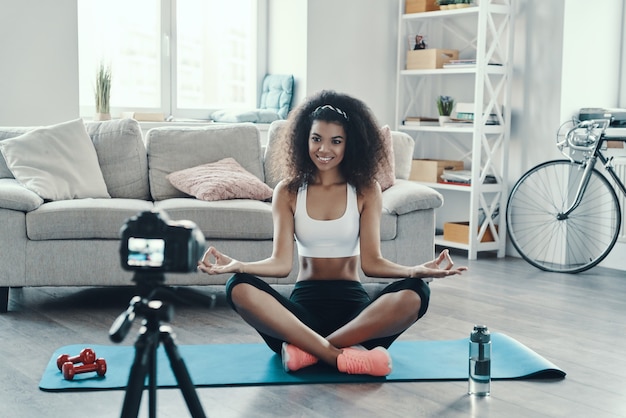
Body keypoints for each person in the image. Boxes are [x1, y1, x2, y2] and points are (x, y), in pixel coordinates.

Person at [198, 90, 467, 377]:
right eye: (317, 139)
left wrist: (414, 271)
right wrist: (240, 265)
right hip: (300, 316)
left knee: (416, 294)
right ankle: (338, 354)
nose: (324, 149)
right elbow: (280, 264)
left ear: (349, 144)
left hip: (356, 314)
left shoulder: (365, 189)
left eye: (335, 141)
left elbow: (372, 263)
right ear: (305, 140)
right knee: (237, 286)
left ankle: (309, 351)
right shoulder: (288, 191)